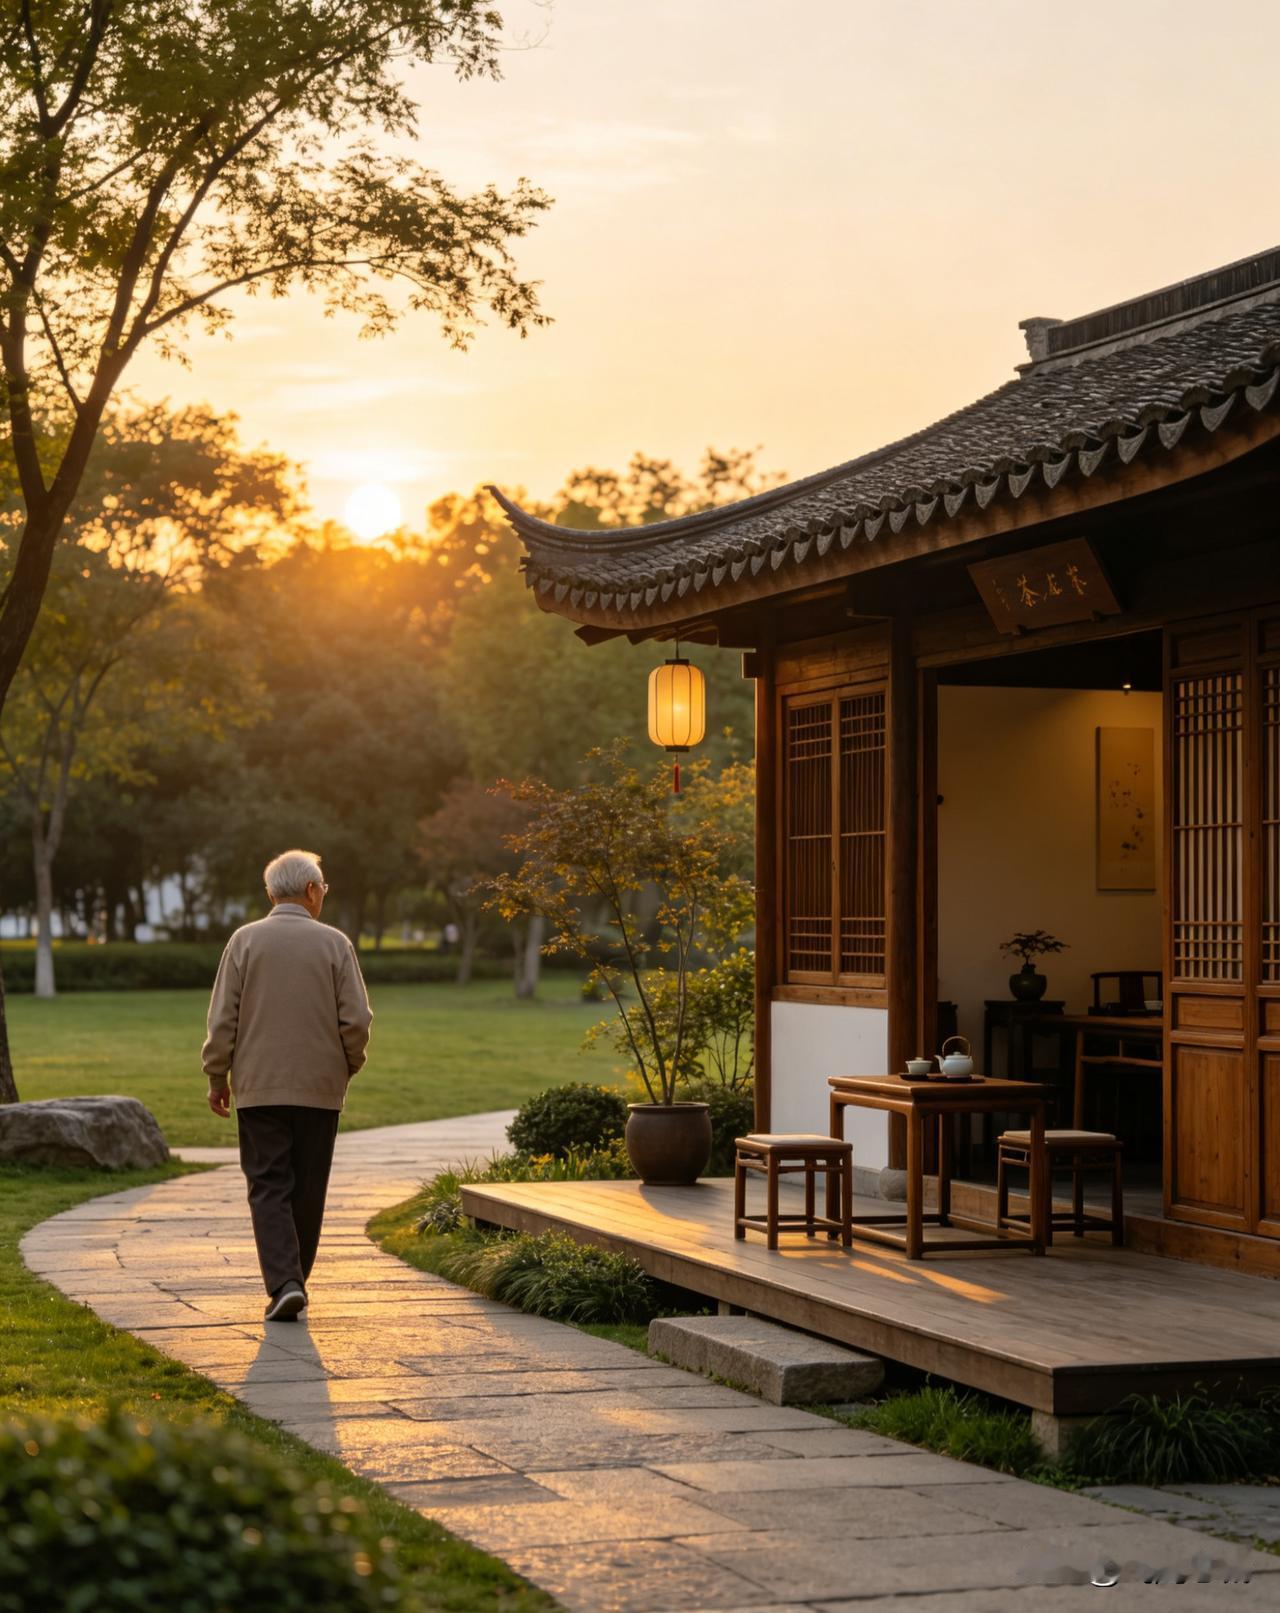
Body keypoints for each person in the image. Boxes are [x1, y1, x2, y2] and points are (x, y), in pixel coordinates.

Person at [202, 849, 372, 1322]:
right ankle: (293, 1282)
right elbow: (356, 1021)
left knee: (268, 1185)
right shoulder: (336, 944)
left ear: (272, 893)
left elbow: (222, 1020)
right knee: (308, 1188)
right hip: (320, 1089)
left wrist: (218, 1074)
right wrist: (347, 1066)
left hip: (259, 1088)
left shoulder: (245, 941)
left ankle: (286, 1282)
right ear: (312, 891)